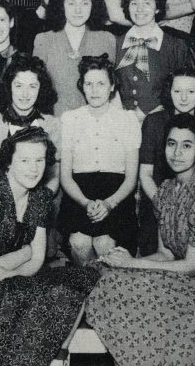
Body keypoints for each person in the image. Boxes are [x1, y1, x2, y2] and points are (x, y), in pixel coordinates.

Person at [87, 114, 195, 366]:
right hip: (180, 275)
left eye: (186, 145)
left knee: (140, 290)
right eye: (171, 144)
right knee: (107, 276)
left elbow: (192, 266)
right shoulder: (166, 190)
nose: (177, 153)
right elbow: (166, 253)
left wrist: (135, 264)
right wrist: (122, 261)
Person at [0, 127, 100, 366]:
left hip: (11, 277)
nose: (33, 168)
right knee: (43, 293)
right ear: (8, 162)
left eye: (39, 160)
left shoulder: (39, 198)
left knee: (81, 279)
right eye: (24, 160)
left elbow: (36, 261)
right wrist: (24, 253)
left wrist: (16, 264)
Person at [59, 55, 140, 263]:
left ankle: (107, 283)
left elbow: (131, 178)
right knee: (79, 242)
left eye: (101, 84)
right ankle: (85, 282)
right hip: (79, 194)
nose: (94, 90)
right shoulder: (70, 119)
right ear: (82, 86)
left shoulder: (128, 119)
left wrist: (109, 204)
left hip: (116, 194)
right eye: (89, 84)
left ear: (112, 86)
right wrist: (85, 203)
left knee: (104, 243)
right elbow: (65, 177)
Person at [138, 69, 195, 255]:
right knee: (152, 258)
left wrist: (190, 207)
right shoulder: (154, 122)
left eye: (190, 91)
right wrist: (165, 205)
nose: (183, 98)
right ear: (169, 92)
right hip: (157, 200)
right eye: (177, 91)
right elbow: (145, 174)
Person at [0, 53, 60, 193]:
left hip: (35, 198)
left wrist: (37, 203)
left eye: (32, 86)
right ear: (9, 86)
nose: (25, 94)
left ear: (41, 89)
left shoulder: (51, 124)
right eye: (18, 86)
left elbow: (54, 179)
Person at [33, 0, 117, 115]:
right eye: (71, 3)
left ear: (93, 6)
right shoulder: (44, 40)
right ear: (62, 5)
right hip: (56, 120)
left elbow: (112, 90)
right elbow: (36, 89)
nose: (78, 10)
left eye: (85, 3)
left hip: (95, 121)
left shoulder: (106, 40)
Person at [113, 0, 191, 118]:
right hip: (122, 122)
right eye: (134, 3)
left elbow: (183, 91)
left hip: (161, 121)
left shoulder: (176, 46)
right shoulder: (116, 44)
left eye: (147, 3)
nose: (139, 9)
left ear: (157, 7)